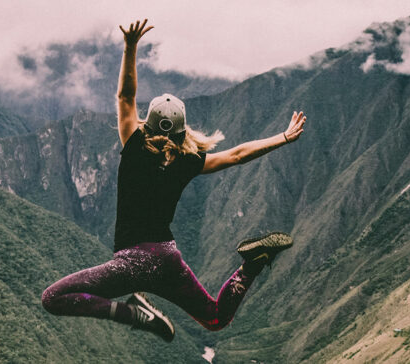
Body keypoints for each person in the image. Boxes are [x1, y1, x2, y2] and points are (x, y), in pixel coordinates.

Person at [41, 19, 307, 342]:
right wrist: (282, 137)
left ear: (147, 123)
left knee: (53, 298)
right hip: (168, 260)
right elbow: (237, 155)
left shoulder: (135, 144)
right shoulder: (187, 160)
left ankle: (133, 314)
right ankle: (251, 265)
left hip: (132, 264)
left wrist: (130, 46)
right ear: (183, 131)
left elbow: (126, 96)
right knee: (215, 317)